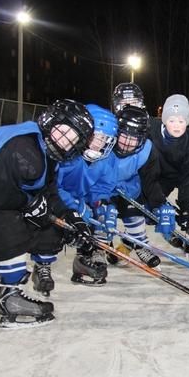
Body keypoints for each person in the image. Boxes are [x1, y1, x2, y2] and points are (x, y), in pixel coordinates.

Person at [0, 99, 94, 329]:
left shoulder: (45, 152)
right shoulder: (25, 149)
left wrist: (71, 218)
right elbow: (0, 198)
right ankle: (11, 299)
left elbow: (47, 192)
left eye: (73, 138)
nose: (65, 140)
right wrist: (31, 203)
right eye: (63, 131)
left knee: (25, 226)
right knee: (10, 228)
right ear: (50, 123)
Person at [56, 104, 119, 287]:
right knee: (49, 237)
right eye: (95, 137)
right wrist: (74, 206)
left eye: (104, 140)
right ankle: (41, 265)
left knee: (97, 217)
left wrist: (103, 204)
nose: (99, 144)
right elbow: (52, 187)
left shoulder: (107, 158)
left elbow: (102, 187)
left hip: (80, 199)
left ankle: (87, 256)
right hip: (56, 201)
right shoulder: (65, 153)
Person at [108, 106, 174, 268]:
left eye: (135, 138)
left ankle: (140, 244)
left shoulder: (147, 150)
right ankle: (99, 246)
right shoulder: (104, 143)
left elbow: (150, 181)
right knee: (102, 215)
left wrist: (160, 205)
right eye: (124, 136)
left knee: (134, 213)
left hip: (129, 187)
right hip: (103, 188)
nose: (128, 143)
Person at [148, 94, 189, 253]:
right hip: (159, 176)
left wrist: (186, 208)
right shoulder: (151, 131)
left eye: (181, 121)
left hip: (185, 176)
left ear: (187, 122)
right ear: (164, 120)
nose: (176, 125)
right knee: (146, 208)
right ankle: (166, 234)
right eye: (171, 120)